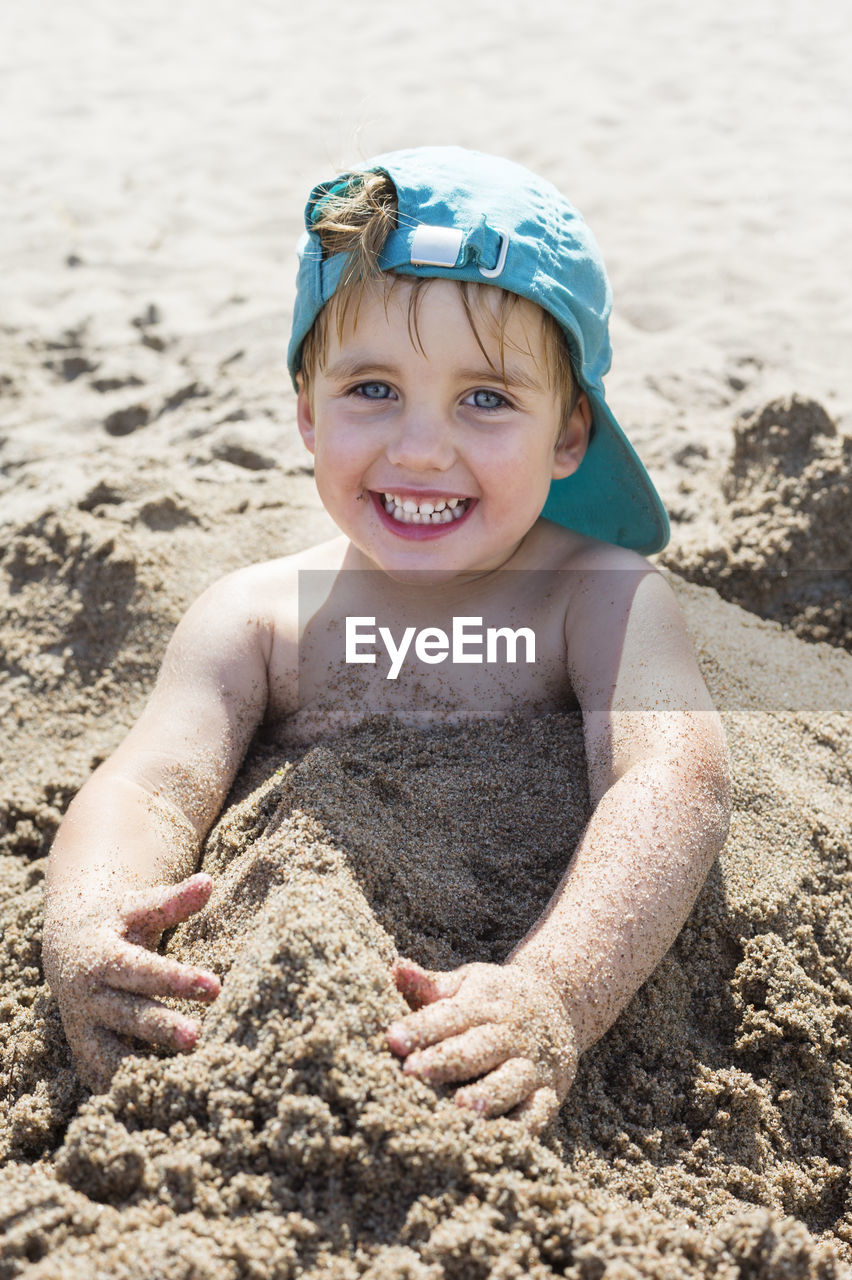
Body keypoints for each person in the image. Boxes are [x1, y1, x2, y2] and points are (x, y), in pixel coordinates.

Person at [43, 146, 731, 1132]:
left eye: (486, 398)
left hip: (511, 1028)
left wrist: (556, 992)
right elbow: (148, 783)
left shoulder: (599, 598)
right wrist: (89, 923)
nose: (419, 445)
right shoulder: (261, 618)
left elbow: (674, 782)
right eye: (372, 388)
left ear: (569, 434)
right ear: (306, 411)